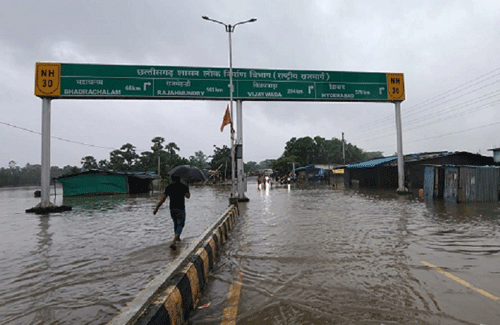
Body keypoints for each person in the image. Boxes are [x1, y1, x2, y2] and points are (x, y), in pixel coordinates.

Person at [153, 175, 191, 250]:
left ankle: (178, 238)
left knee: (176, 223)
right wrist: (186, 190)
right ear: (180, 179)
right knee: (181, 224)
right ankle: (174, 241)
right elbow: (188, 196)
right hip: (180, 208)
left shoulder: (169, 187)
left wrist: (157, 208)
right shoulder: (183, 186)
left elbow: (163, 199)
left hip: (172, 209)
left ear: (172, 179)